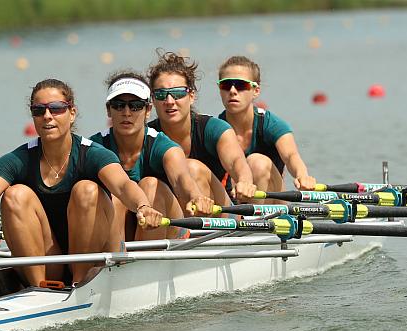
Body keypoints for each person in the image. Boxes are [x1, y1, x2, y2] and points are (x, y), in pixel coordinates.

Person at [0, 78, 162, 286]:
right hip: (52, 258)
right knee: (14, 194)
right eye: (39, 110)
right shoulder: (18, 159)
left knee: (86, 189)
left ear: (72, 113)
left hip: (97, 256)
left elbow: (123, 185)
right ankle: (40, 288)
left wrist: (143, 207)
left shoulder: (93, 154)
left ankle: (81, 283)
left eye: (56, 109)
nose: (47, 116)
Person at [90, 71, 214, 241]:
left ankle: (141, 262)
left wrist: (196, 197)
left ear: (148, 110)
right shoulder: (94, 146)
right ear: (109, 110)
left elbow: (180, 178)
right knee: (110, 197)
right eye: (119, 105)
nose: (126, 112)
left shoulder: (161, 145)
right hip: (122, 228)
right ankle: (114, 260)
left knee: (150, 185)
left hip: (163, 224)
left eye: (135, 105)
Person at [146, 51, 256, 207]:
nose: (169, 101)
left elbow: (236, 161)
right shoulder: (146, 136)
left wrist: (244, 181)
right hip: (173, 219)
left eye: (177, 93)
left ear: (191, 96)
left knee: (191, 167)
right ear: (153, 100)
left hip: (222, 215)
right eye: (161, 94)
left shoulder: (213, 128)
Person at [216, 56, 316, 197]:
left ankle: (255, 217)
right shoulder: (214, 129)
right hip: (232, 205)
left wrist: (302, 175)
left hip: (272, 203)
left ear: (255, 91)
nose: (232, 91)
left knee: (256, 162)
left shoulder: (271, 124)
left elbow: (291, 156)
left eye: (240, 85)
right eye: (225, 85)